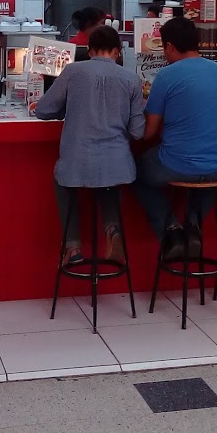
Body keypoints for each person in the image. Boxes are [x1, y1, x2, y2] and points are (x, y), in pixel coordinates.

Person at [35, 24, 143, 266]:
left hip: (77, 162)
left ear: (90, 50)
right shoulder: (132, 79)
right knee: (108, 180)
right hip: (118, 165)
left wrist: (68, 109)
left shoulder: (72, 71)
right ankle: (112, 228)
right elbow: (137, 132)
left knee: (64, 181)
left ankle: (72, 247)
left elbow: (43, 110)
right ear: (117, 51)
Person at [133, 16, 217, 259]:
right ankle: (193, 228)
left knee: (134, 171)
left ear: (169, 46)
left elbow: (148, 133)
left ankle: (171, 231)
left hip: (176, 164)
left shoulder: (167, 76)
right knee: (207, 173)